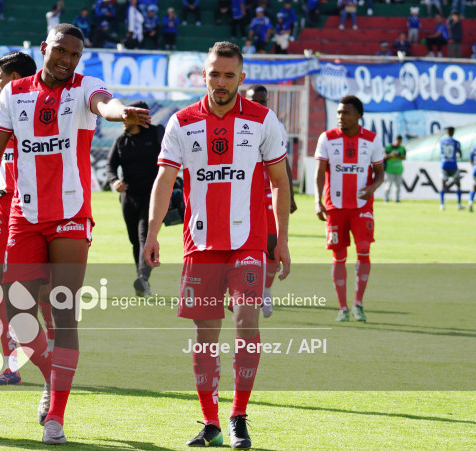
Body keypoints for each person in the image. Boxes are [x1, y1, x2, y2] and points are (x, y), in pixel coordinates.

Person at [0, 23, 150, 444]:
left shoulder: (84, 87)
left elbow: (105, 104)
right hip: (25, 214)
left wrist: (120, 112)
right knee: (18, 312)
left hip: (72, 215)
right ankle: (53, 374)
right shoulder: (13, 93)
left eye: (74, 55)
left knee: (63, 310)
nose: (67, 60)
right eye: (60, 51)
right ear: (44, 48)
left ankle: (55, 416)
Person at [143, 41, 290, 450]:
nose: (221, 82)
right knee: (205, 338)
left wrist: (282, 242)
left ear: (242, 78)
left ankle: (239, 415)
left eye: (229, 75)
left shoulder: (262, 119)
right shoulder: (182, 121)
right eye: (214, 74)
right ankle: (211, 422)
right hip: (201, 244)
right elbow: (164, 181)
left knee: (247, 322)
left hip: (248, 243)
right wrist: (152, 233)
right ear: (203, 75)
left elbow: (279, 182)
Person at [0, 51, 40, 386]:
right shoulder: (4, 115)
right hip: (5, 210)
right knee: (4, 288)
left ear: (16, 79)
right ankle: (11, 363)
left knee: (43, 293)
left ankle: (47, 355)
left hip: (40, 212)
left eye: (1, 78)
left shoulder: (43, 116)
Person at [314, 95, 384, 322]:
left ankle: (358, 303)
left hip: (361, 206)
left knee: (364, 248)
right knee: (339, 256)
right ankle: (342, 308)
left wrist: (372, 186)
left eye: (346, 113)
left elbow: (380, 173)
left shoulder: (372, 140)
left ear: (358, 116)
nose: (340, 117)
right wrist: (318, 201)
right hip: (335, 207)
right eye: (338, 113)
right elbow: (318, 174)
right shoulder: (327, 138)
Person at [245, 85, 297, 318]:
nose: (258, 103)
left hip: (269, 191)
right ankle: (245, 290)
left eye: (262, 100)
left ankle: (265, 290)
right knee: (242, 246)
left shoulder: (274, 124)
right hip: (243, 193)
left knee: (273, 246)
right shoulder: (236, 122)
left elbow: (282, 160)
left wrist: (291, 195)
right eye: (253, 100)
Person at [107, 100, 163, 297]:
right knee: (134, 240)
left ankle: (143, 279)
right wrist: (114, 181)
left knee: (145, 236)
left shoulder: (157, 134)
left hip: (152, 197)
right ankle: (141, 279)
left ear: (140, 118)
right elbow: (110, 165)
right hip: (129, 198)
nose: (124, 120)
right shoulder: (121, 141)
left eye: (128, 117)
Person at [439, 126, 463, 210]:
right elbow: (460, 154)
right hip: (453, 165)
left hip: (444, 164)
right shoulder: (456, 142)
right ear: (453, 132)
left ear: (447, 132)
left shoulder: (441, 141)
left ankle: (442, 205)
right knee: (458, 184)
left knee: (443, 184)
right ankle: (459, 204)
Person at [383, 135, 406, 202]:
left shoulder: (402, 148)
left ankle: (397, 199)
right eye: (398, 141)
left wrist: (398, 155)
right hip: (389, 170)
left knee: (398, 186)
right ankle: (386, 199)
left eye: (400, 141)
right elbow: (384, 156)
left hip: (399, 170)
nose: (399, 142)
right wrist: (391, 155)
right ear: (395, 140)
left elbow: (404, 157)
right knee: (388, 185)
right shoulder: (389, 147)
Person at [469, 143, 476, 212]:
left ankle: (470, 201)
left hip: (475, 169)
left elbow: (470, 159)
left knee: (474, 186)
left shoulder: (473, 147)